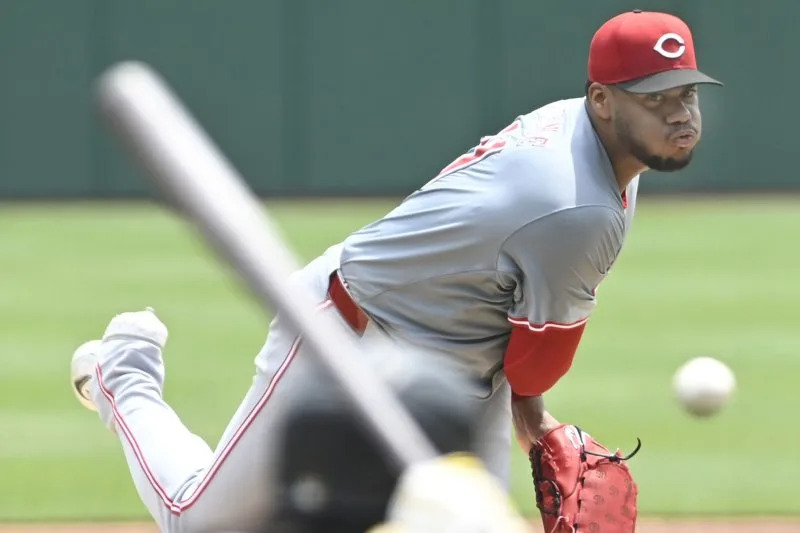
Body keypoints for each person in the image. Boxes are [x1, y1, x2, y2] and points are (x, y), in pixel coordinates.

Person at [70, 9, 721, 533]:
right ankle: (124, 372)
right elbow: (536, 366)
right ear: (603, 100)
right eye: (655, 98)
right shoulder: (576, 207)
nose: (680, 114)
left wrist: (531, 420)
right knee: (199, 522)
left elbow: (521, 353)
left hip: (462, 372)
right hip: (353, 337)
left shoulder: (591, 136)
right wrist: (539, 427)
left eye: (687, 93)